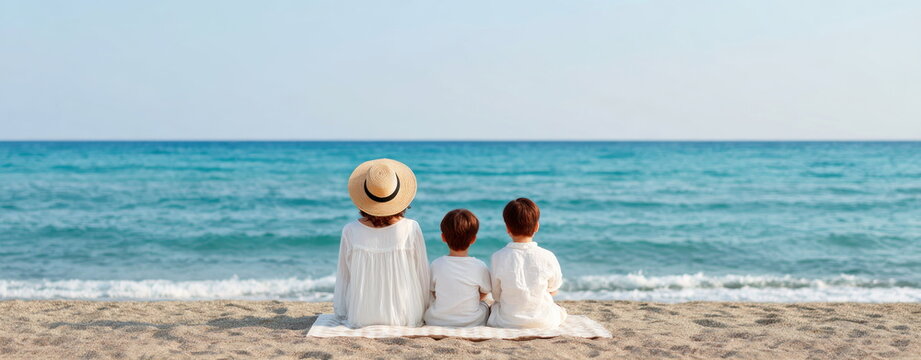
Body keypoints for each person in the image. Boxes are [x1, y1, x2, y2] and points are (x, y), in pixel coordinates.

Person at [333, 159, 430, 328]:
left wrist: (342, 311)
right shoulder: (411, 228)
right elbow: (422, 274)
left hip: (361, 316)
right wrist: (425, 308)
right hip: (405, 315)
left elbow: (344, 276)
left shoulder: (350, 230)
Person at [487, 198, 567, 329]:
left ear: (507, 228)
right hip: (543, 322)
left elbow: (496, 295)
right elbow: (554, 288)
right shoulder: (547, 256)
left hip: (507, 321)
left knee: (494, 307)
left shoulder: (497, 257)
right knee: (558, 309)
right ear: (537, 226)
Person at [423, 209, 491, 327]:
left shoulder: (436, 264)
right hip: (472, 321)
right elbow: (484, 292)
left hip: (437, 320)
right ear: (473, 239)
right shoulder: (479, 266)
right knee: (488, 302)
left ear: (443, 237)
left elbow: (434, 292)